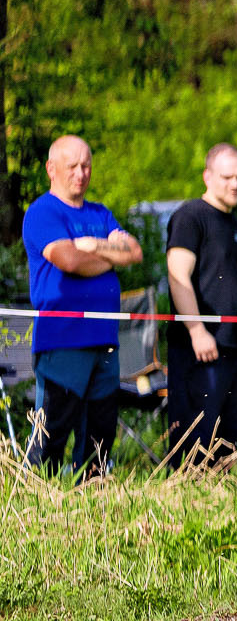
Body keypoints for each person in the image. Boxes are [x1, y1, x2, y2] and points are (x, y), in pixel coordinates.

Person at [21, 136, 142, 478]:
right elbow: (69, 261)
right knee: (53, 428)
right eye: (72, 166)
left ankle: (92, 490)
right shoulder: (43, 212)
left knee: (100, 430)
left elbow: (134, 251)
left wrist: (92, 245)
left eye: (86, 165)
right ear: (51, 169)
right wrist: (111, 255)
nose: (81, 173)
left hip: (104, 338)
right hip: (63, 340)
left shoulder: (100, 213)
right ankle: (38, 492)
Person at [165, 143, 237, 461]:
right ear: (207, 177)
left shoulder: (233, 222)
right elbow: (178, 275)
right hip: (200, 348)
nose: (235, 184)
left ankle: (217, 492)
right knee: (196, 440)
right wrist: (196, 329)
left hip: (235, 346)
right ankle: (186, 490)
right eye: (227, 177)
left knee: (227, 439)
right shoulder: (190, 216)